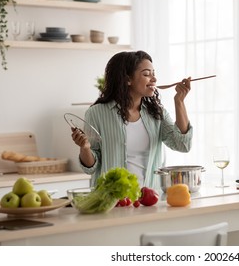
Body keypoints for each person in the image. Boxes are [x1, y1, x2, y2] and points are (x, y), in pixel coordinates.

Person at [70, 50, 193, 189]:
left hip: (150, 199)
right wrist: (85, 148)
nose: (154, 79)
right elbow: (90, 168)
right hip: (112, 201)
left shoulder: (157, 113)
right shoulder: (96, 113)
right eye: (146, 74)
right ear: (127, 79)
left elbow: (182, 145)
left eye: (154, 73)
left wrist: (179, 102)